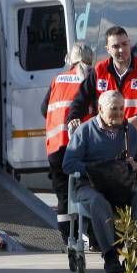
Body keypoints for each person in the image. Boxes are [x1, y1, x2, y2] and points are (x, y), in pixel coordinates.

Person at [63, 90, 137, 273]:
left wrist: (136, 165)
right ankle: (110, 257)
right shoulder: (85, 131)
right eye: (114, 109)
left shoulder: (130, 132)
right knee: (98, 202)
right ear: (100, 109)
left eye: (122, 108)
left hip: (120, 186)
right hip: (90, 186)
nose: (119, 113)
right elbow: (68, 164)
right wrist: (96, 169)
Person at [66, 26, 137, 156]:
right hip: (107, 148)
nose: (121, 49)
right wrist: (73, 118)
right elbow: (80, 100)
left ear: (129, 43)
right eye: (115, 46)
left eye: (124, 44)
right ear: (107, 49)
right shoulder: (99, 71)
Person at [41, 42, 94, 243]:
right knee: (87, 188)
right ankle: (91, 234)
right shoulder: (89, 80)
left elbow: (43, 109)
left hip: (56, 146)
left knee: (63, 194)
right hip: (81, 146)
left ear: (69, 59)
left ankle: (67, 238)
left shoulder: (57, 80)